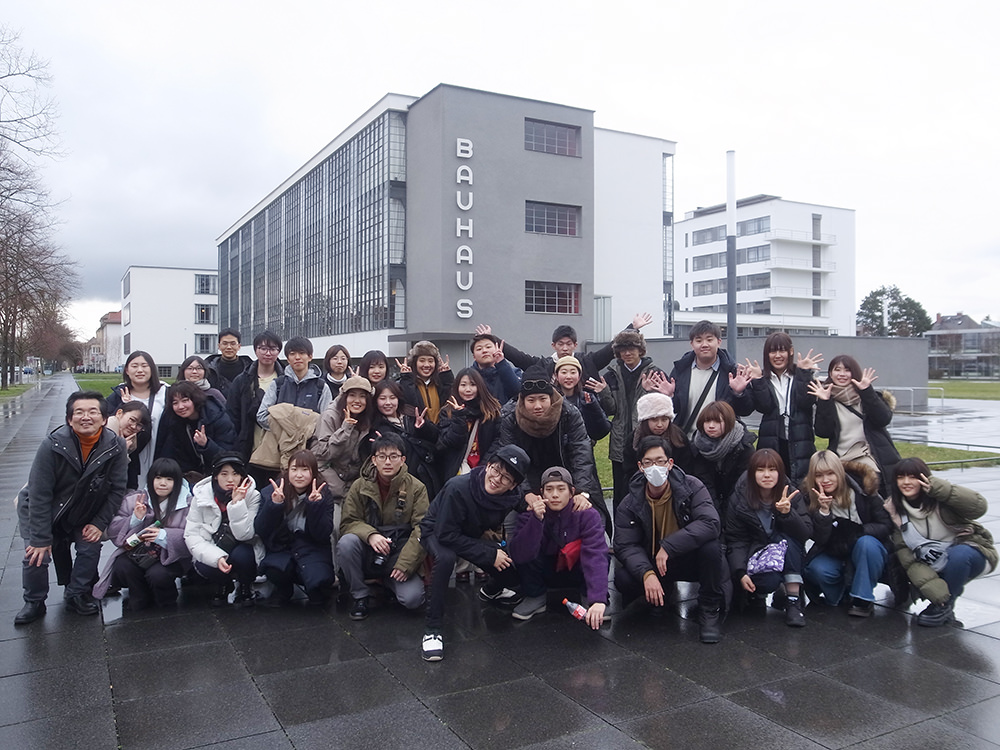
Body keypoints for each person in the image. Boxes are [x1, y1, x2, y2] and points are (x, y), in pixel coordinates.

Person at [15, 391, 128, 624]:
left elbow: (117, 490)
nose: (86, 417)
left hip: (83, 509)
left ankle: (76, 593)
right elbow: (39, 493)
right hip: (44, 509)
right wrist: (41, 538)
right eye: (79, 412)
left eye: (93, 412)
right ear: (69, 419)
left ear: (104, 419)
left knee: (90, 546)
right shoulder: (53, 445)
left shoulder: (115, 446)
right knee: (36, 554)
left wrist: (98, 523)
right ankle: (34, 601)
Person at [418, 445, 530, 661]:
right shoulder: (458, 488)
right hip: (439, 531)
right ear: (488, 466)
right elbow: (445, 535)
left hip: (471, 534)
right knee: (446, 558)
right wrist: (488, 554)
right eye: (495, 470)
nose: (497, 479)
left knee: (512, 575)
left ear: (513, 485)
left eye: (506, 478)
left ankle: (490, 591)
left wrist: (534, 506)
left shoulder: (511, 495)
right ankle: (432, 629)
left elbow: (522, 503)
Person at [612, 435, 727, 643]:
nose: (655, 467)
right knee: (623, 578)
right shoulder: (630, 501)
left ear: (670, 463)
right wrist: (647, 573)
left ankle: (709, 609)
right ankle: (659, 593)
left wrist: (669, 546)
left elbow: (710, 523)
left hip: (687, 556)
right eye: (648, 462)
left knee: (711, 548)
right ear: (640, 467)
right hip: (655, 562)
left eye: (660, 461)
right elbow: (625, 545)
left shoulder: (692, 486)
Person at [496, 366, 608, 535]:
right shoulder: (509, 417)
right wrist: (525, 493)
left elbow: (581, 454)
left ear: (551, 397)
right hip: (524, 477)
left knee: (591, 517)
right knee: (516, 525)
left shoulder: (569, 413)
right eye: (531, 400)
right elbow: (509, 458)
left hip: (566, 475)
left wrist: (580, 491)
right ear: (522, 400)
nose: (538, 406)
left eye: (543, 399)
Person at [885, 458, 997, 627]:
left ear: (924, 478)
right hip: (933, 563)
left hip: (970, 555)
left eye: (912, 477)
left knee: (960, 555)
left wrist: (942, 489)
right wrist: (937, 594)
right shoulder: (895, 512)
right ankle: (944, 604)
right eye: (901, 477)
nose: (906, 482)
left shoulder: (941, 500)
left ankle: (943, 606)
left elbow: (979, 507)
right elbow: (909, 560)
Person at [339, 433, 429, 619]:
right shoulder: (359, 486)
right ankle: (360, 596)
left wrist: (406, 564)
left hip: (399, 552)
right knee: (347, 543)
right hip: (368, 549)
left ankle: (389, 581)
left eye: (393, 456)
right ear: (374, 460)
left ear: (403, 460)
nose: (387, 462)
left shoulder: (417, 488)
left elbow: (423, 529)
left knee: (413, 599)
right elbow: (348, 522)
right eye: (382, 456)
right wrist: (371, 535)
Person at [508, 466, 608, 628]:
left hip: (576, 570)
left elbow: (596, 554)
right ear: (542, 493)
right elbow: (519, 555)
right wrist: (536, 520)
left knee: (602, 556)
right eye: (549, 489)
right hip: (545, 571)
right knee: (525, 545)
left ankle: (589, 598)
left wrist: (598, 599)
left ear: (572, 492)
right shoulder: (528, 514)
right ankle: (535, 596)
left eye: (561, 489)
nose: (555, 494)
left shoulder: (587, 514)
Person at [725, 449, 811, 627]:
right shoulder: (740, 498)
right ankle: (762, 591)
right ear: (752, 473)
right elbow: (736, 539)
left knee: (789, 541)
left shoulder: (790, 493)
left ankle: (793, 600)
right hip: (756, 552)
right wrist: (740, 572)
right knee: (767, 582)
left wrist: (788, 514)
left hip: (786, 550)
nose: (766, 475)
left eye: (772, 470)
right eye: (760, 470)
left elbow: (805, 534)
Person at [93, 458, 193, 611]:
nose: (163, 483)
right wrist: (135, 519)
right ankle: (139, 596)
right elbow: (113, 531)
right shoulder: (135, 499)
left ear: (177, 482)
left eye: (169, 479)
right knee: (122, 566)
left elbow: (193, 535)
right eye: (158, 478)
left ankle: (166, 598)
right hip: (137, 553)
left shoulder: (188, 504)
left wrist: (164, 536)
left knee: (158, 574)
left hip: (170, 557)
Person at [801, 450, 892, 618]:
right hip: (834, 549)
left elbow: (885, 525)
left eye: (830, 473)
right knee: (816, 569)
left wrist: (855, 532)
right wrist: (824, 512)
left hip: (865, 547)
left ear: (839, 472)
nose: (825, 480)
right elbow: (820, 539)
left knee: (866, 544)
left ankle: (862, 599)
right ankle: (841, 597)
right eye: (819, 475)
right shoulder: (809, 497)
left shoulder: (863, 487)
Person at [809, 354, 900, 498]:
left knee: (875, 491)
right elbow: (823, 432)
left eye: (847, 370)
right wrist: (824, 402)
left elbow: (883, 419)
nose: (842, 374)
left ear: (854, 373)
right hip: (841, 457)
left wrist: (867, 392)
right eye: (837, 370)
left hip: (868, 455)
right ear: (830, 373)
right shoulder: (827, 397)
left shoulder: (865, 395)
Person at [254, 450, 336, 607]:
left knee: (320, 581)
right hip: (282, 546)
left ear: (313, 473)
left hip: (311, 547)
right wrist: (274, 505)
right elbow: (261, 529)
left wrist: (315, 507)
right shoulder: (272, 491)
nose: (299, 475)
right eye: (294, 469)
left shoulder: (323, 494)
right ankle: (283, 589)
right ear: (287, 471)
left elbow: (323, 534)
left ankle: (313, 586)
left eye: (305, 469)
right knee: (275, 570)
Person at [312, 376, 376, 573]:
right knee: (336, 527)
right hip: (333, 485)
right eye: (352, 395)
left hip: (355, 483)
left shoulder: (367, 418)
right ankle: (337, 573)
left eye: (362, 396)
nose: (357, 400)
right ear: (343, 397)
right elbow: (321, 455)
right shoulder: (330, 416)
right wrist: (345, 428)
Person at [183, 454, 263, 607]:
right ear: (215, 476)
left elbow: (245, 534)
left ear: (242, 476)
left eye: (235, 474)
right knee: (205, 563)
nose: (230, 479)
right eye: (224, 474)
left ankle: (245, 585)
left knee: (244, 556)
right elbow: (192, 535)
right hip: (214, 543)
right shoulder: (201, 497)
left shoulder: (253, 495)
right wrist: (217, 557)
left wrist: (237, 504)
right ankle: (224, 584)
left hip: (242, 544)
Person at [746, 333, 821, 489]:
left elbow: (805, 402)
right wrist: (758, 381)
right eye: (773, 351)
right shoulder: (763, 378)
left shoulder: (800, 374)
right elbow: (764, 406)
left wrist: (804, 374)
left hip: (800, 440)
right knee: (772, 485)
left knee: (801, 486)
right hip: (772, 440)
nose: (778, 356)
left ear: (790, 351)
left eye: (782, 350)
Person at [487, 313, 653, 382]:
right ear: (553, 345)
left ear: (575, 345)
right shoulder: (543, 365)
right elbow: (518, 357)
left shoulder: (588, 362)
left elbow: (611, 347)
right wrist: (491, 339)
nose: (565, 348)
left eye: (569, 344)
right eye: (560, 344)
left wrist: (632, 328)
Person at [660, 320, 754, 438]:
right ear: (692, 344)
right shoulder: (681, 370)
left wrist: (738, 393)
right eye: (699, 340)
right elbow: (675, 409)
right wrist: (669, 396)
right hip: (686, 439)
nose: (704, 345)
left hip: (719, 441)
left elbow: (745, 410)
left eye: (709, 340)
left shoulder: (732, 373)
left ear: (719, 342)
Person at [602, 329, 662, 511]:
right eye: (623, 349)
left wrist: (648, 390)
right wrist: (603, 392)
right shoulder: (611, 375)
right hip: (619, 441)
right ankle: (621, 526)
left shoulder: (654, 373)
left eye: (632, 348)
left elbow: (658, 407)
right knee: (620, 491)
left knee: (647, 488)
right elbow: (611, 410)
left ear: (640, 350)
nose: (627, 353)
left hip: (646, 438)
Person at [365, 379, 441, 498]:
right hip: (402, 483)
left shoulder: (411, 414)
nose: (388, 403)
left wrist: (423, 427)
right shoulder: (376, 427)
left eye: (392, 398)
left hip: (427, 475)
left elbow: (436, 438)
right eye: (382, 398)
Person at [227, 330, 284, 483]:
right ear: (255, 350)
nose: (268, 353)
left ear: (279, 351)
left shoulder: (285, 380)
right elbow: (232, 415)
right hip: (249, 449)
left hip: (278, 451)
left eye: (273, 349)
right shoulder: (242, 381)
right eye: (263, 348)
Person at [107, 350, 168, 489]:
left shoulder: (165, 393)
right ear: (127, 370)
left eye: (144, 366)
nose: (140, 370)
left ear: (152, 369)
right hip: (130, 455)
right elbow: (107, 422)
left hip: (158, 450)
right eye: (134, 366)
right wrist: (123, 405)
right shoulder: (118, 395)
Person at [688, 401, 756, 520]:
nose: (711, 426)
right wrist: (715, 513)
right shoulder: (697, 445)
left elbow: (742, 484)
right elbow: (704, 481)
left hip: (738, 504)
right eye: (707, 421)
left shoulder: (744, 447)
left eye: (717, 421)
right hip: (708, 501)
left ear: (728, 422)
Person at [155, 380, 237, 478]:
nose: (180, 406)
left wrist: (206, 444)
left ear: (195, 399)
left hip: (217, 474)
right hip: (187, 475)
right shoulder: (173, 420)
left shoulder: (217, 417)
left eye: (185, 400)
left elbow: (228, 456)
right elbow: (169, 452)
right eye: (175, 403)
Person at [435, 367, 503, 482]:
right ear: (457, 387)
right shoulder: (448, 411)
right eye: (463, 385)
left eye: (472, 385)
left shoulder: (491, 411)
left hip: (484, 469)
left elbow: (498, 441)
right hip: (457, 470)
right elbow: (451, 442)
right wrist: (459, 416)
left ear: (480, 386)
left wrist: (484, 466)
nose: (468, 389)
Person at [257, 336, 332, 430]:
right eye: (292, 354)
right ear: (288, 359)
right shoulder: (278, 384)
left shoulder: (321, 387)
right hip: (281, 438)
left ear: (310, 357)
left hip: (310, 438)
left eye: (302, 353)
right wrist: (290, 430)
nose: (297, 357)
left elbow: (326, 421)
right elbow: (262, 416)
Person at [628, 392, 693, 474]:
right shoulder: (634, 439)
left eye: (664, 419)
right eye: (654, 420)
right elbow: (629, 469)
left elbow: (686, 467)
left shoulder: (679, 437)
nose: (660, 424)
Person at [552, 355, 610, 444]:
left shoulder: (587, 398)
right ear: (556, 376)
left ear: (579, 376)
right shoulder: (550, 399)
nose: (568, 377)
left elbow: (601, 431)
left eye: (573, 372)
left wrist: (592, 408)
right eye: (564, 372)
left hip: (583, 448)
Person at [397, 340, 453, 424]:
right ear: (414, 362)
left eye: (430, 361)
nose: (426, 365)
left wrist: (446, 376)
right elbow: (410, 404)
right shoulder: (404, 384)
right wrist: (406, 378)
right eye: (422, 360)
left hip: (441, 430)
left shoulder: (440, 383)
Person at [469, 332, 522, 405]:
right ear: (474, 356)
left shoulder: (513, 372)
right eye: (479, 349)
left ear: (497, 349)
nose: (484, 351)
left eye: (488, 347)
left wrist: (502, 363)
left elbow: (518, 393)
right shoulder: (469, 376)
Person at [107, 400, 150, 490]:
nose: (134, 427)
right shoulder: (107, 432)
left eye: (139, 425)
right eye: (132, 420)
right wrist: (123, 451)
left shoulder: (131, 440)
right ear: (119, 413)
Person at [205, 327, 253, 399]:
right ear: (219, 346)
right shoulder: (208, 369)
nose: (229, 347)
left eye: (233, 344)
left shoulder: (251, 368)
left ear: (239, 346)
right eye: (225, 343)